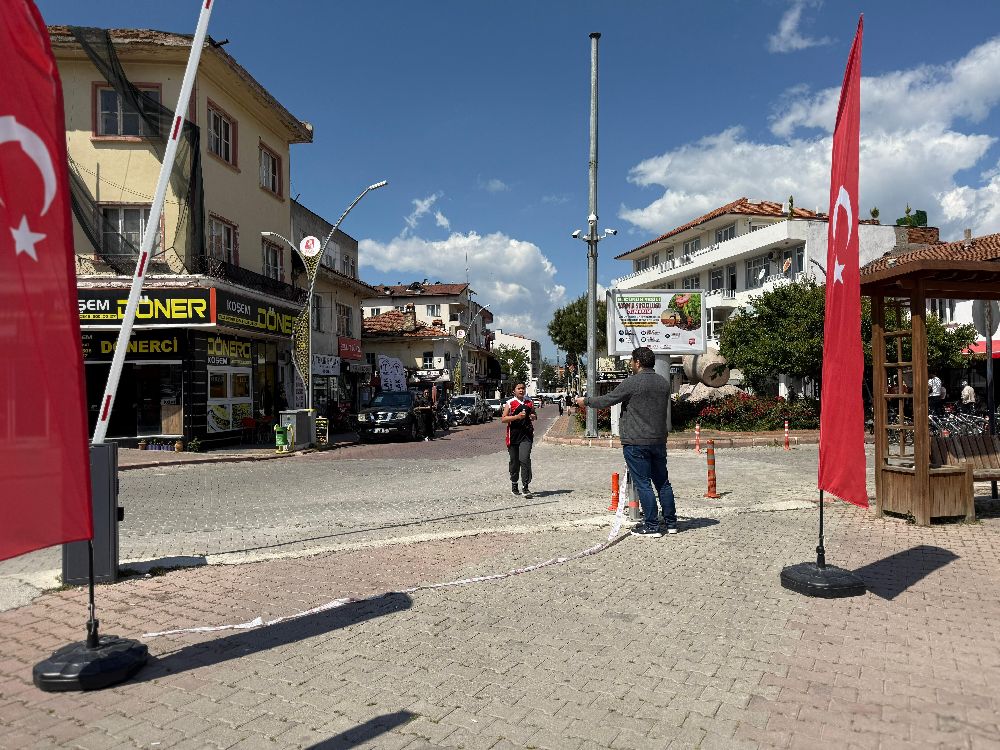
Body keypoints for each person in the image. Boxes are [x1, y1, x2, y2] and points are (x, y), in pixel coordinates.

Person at [576, 346, 676, 538]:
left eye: (632, 361)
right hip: (658, 440)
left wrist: (586, 401)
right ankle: (671, 523)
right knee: (663, 482)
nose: (631, 364)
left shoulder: (632, 383)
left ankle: (652, 525)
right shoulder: (664, 383)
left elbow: (608, 400)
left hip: (636, 441)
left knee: (643, 483)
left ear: (637, 362)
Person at [502, 383, 537, 497]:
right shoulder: (510, 403)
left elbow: (534, 415)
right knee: (514, 461)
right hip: (513, 435)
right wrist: (517, 417)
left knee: (525, 459)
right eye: (519, 388)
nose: (521, 390)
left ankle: (525, 487)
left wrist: (532, 416)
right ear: (514, 391)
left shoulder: (529, 402)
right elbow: (504, 419)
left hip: (526, 435)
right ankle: (514, 484)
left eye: (523, 388)